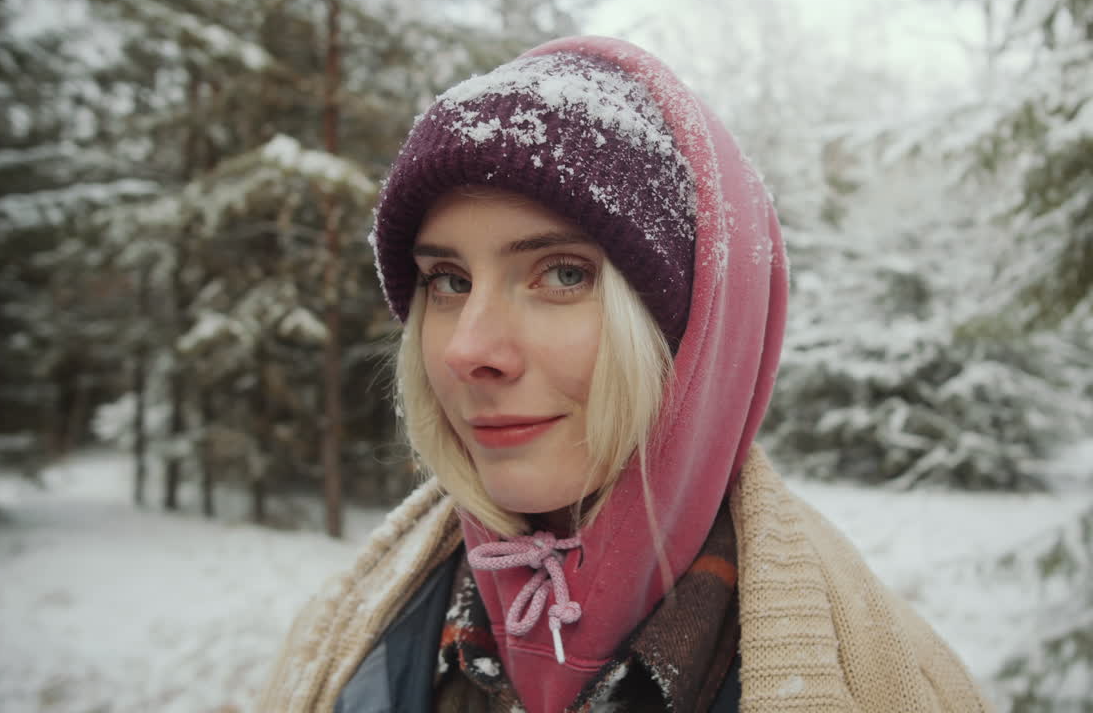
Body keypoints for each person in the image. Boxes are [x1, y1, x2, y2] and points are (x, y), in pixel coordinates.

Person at [259, 36, 992, 713]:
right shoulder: (351, 635)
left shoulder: (897, 687)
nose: (466, 350)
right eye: (447, 282)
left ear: (695, 335)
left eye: (563, 273)